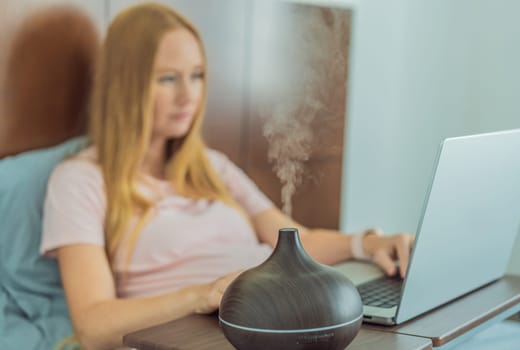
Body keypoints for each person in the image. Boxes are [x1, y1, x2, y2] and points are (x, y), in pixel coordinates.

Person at [40, 3, 414, 349]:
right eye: (168, 79)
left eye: (197, 75)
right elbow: (92, 326)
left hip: (271, 319)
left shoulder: (212, 166)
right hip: (199, 331)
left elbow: (297, 243)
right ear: (125, 86)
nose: (189, 96)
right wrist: (201, 295)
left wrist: (367, 244)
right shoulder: (80, 180)